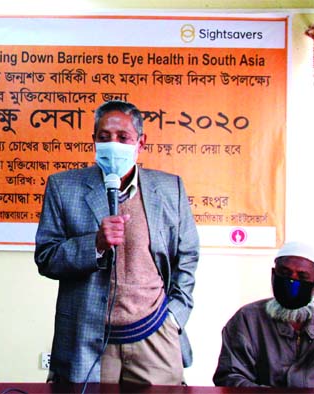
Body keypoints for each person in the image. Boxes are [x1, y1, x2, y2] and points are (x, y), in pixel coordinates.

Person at [34, 100, 200, 384]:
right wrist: (94, 244)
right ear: (93, 141)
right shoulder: (63, 187)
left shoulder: (170, 188)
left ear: (140, 142)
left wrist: (174, 317)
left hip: (156, 336)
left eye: (123, 137)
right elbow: (46, 258)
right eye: (104, 137)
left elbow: (187, 256)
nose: (113, 144)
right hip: (88, 339)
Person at [213, 241, 314, 387]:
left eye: (302, 277)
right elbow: (230, 378)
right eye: (285, 273)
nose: (292, 281)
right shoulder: (248, 320)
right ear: (273, 275)